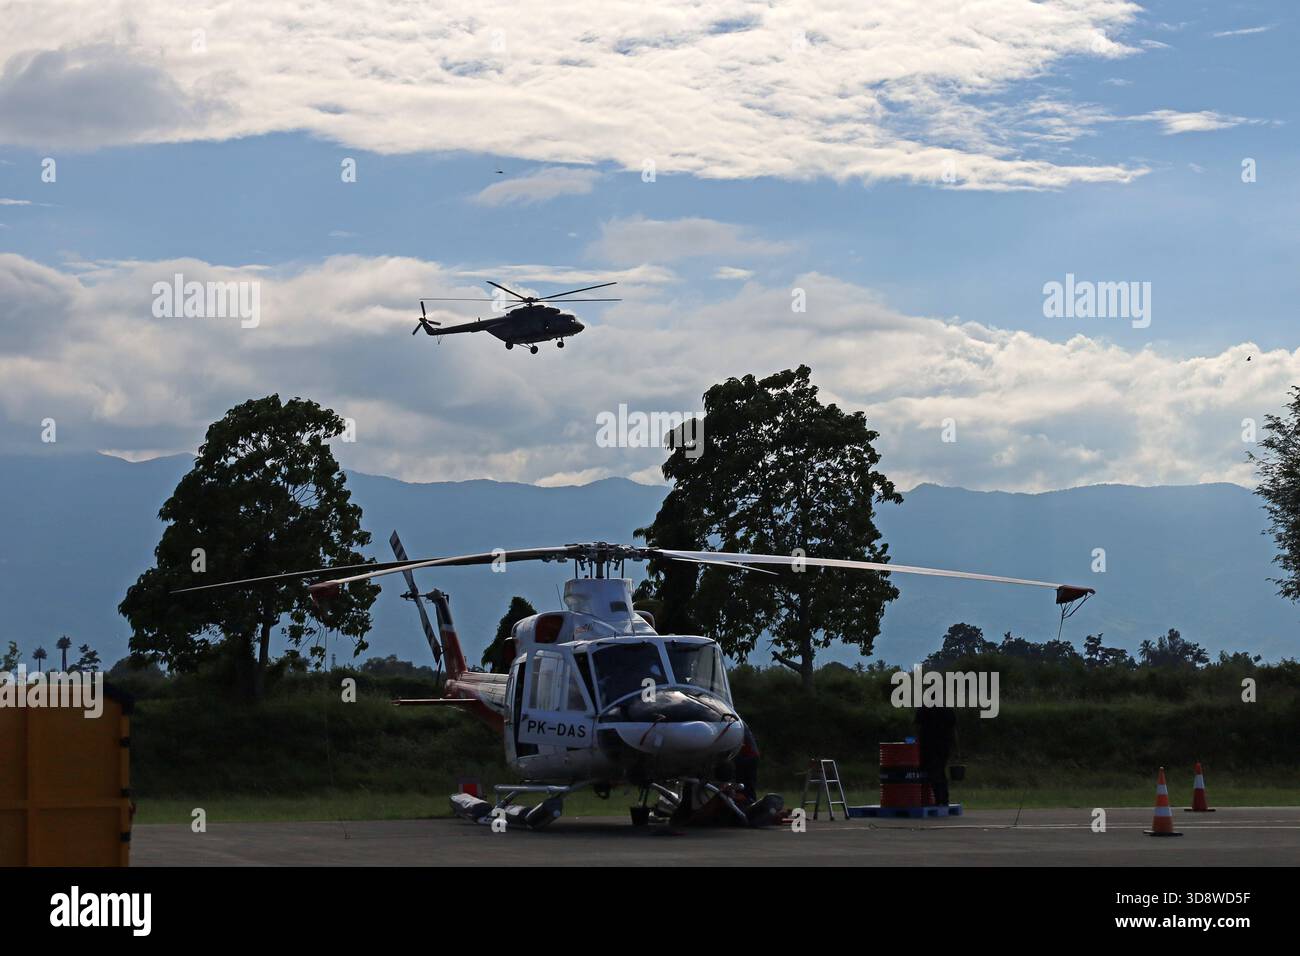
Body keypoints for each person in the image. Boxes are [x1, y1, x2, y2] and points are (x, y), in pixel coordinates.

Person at [915, 703, 957, 806]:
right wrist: (955, 747)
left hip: (928, 746)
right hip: (943, 746)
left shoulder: (924, 708)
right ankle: (943, 799)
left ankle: (938, 800)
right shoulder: (947, 709)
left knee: (934, 773)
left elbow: (917, 724)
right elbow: (953, 729)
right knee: (940, 772)